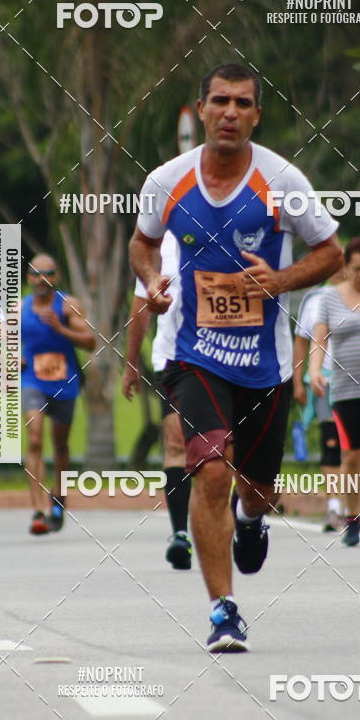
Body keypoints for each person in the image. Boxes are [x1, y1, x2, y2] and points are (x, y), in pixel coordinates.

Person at [130, 62, 342, 652]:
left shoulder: (282, 180)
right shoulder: (167, 181)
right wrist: (150, 280)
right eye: (219, 101)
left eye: (242, 103)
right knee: (211, 469)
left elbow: (331, 252)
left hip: (265, 365)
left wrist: (282, 278)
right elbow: (142, 243)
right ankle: (223, 610)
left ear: (256, 114)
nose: (230, 112)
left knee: (256, 488)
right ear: (201, 109)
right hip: (195, 354)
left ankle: (252, 519)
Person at [310, 237, 360, 547]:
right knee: (351, 456)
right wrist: (315, 370)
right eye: (356, 268)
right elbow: (320, 340)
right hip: (344, 391)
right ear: (345, 267)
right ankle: (353, 516)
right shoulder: (329, 299)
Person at [122, 230, 193, 569]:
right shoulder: (157, 246)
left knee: (223, 451)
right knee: (176, 441)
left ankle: (240, 518)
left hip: (227, 359)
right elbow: (140, 305)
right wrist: (131, 364)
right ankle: (181, 534)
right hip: (174, 358)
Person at [21, 254, 95, 535]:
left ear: (56, 277)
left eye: (48, 273)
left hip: (64, 382)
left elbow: (90, 341)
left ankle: (58, 498)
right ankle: (38, 510)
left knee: (60, 445)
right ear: (28, 278)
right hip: (32, 381)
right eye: (36, 274)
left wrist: (60, 328)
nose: (42, 279)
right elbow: (4, 342)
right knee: (36, 436)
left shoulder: (67, 305)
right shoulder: (20, 308)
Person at [292, 271, 344, 531]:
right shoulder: (314, 300)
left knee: (355, 446)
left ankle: (352, 505)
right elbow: (301, 342)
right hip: (323, 381)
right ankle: (334, 507)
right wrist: (297, 379)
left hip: (358, 382)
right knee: (331, 440)